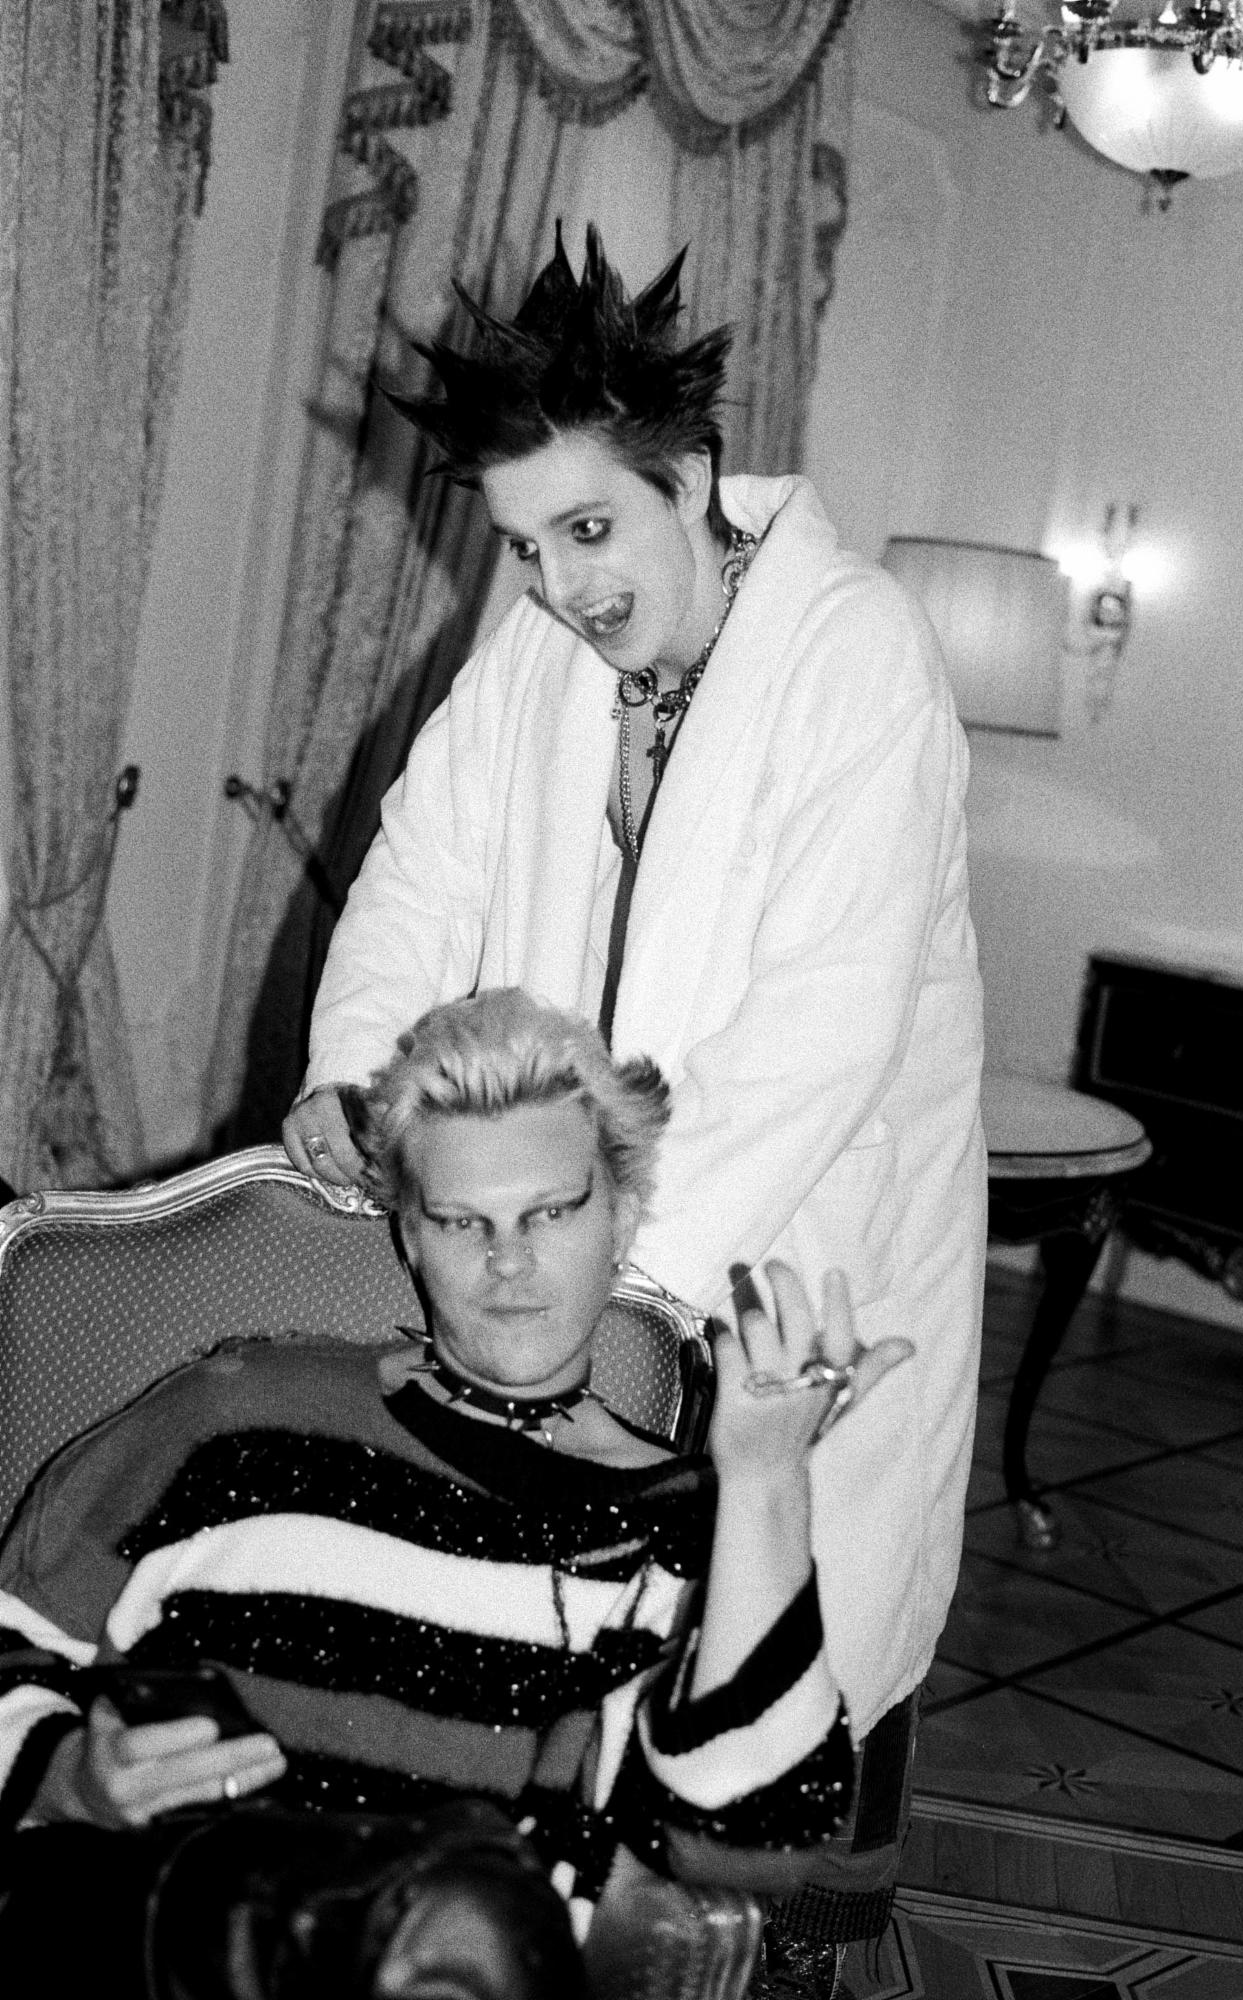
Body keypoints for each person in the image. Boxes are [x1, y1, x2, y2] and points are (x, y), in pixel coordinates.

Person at [282, 224, 986, 1977]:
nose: (558, 584)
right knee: (560, 1687)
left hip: (777, 1249)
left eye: (587, 531)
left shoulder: (855, 651)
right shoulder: (537, 644)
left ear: (687, 480)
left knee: (773, 1688)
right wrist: (357, 1078)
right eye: (524, 545)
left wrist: (612, 1251)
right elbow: (421, 870)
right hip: (565, 1239)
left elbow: (823, 1027)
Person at [0, 989, 912, 1998]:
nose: (508, 1261)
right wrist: (70, 1774)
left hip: (468, 1963)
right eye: (460, 1220)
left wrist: (768, 1484)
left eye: (551, 1212)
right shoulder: (236, 1415)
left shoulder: (688, 1524)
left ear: (622, 1219)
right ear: (408, 1234)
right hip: (156, 1934)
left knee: (471, 1924)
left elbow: (751, 1849)